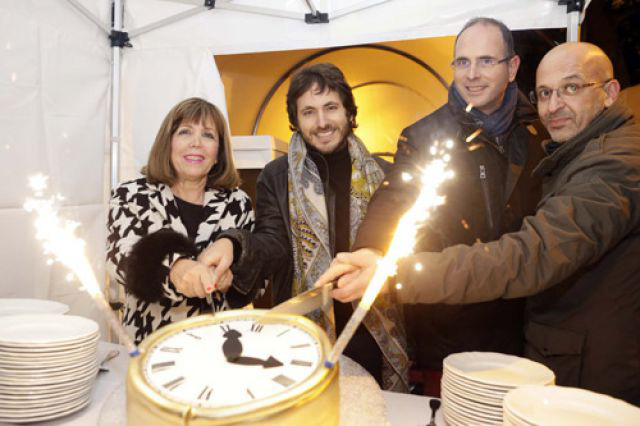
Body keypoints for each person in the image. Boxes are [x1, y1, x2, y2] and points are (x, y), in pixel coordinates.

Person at [317, 42, 640, 405]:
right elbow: (395, 198)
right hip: (471, 331)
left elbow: (533, 253)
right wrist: (374, 252)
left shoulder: (610, 162)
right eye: (546, 93)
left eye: (572, 88)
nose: (554, 105)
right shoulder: (431, 133)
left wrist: (395, 273)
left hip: (593, 367)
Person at [318, 18, 547, 395]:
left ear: (513, 67)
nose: (472, 74)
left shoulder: (539, 133)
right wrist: (371, 249)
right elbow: (394, 197)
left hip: (525, 322)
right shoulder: (424, 136)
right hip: (449, 324)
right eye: (462, 62)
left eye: (486, 61)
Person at [200, 63, 409, 391]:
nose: (322, 122)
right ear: (295, 121)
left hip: (372, 329)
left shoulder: (386, 175)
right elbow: (273, 242)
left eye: (331, 108)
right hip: (302, 333)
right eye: (309, 112)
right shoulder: (276, 174)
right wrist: (235, 245)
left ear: (348, 111)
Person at [106, 97, 258, 344]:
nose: (196, 143)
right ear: (168, 143)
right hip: (151, 345)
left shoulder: (237, 201)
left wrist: (234, 277)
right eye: (185, 132)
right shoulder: (132, 195)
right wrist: (176, 269)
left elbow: (255, 272)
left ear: (218, 152)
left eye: (208, 135)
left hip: (220, 345)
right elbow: (121, 258)